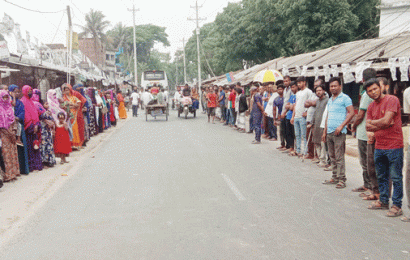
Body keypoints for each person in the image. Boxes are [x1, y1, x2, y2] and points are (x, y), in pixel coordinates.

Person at [365, 79, 404, 217]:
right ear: (367, 93)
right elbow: (367, 126)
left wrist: (375, 123)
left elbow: (387, 120)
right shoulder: (370, 106)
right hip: (379, 145)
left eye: (375, 89)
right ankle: (383, 201)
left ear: (380, 87)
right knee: (381, 175)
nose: (373, 92)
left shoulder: (392, 100)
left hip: (394, 145)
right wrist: (382, 124)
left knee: (396, 176)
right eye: (370, 91)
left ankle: (397, 205)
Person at [349, 68, 379, 199]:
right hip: (366, 132)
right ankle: (368, 184)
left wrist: (354, 126)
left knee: (367, 162)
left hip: (364, 133)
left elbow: (361, 114)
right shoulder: (371, 93)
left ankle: (371, 187)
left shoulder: (367, 94)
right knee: (366, 162)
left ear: (363, 80)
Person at [322, 77, 354, 189]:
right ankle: (334, 176)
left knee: (339, 156)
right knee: (332, 156)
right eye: (331, 86)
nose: (333, 88)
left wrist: (341, 126)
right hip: (329, 131)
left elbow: (351, 113)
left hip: (339, 132)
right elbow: (328, 116)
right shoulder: (330, 100)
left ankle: (342, 179)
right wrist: (324, 132)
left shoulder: (345, 98)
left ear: (340, 86)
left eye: (335, 85)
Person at [21, 85, 43, 172]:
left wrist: (37, 124)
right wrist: (32, 125)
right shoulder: (23, 101)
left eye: (31, 91)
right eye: (28, 91)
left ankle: (37, 165)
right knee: (30, 147)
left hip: (35, 127)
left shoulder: (31, 101)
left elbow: (35, 114)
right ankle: (31, 165)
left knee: (36, 146)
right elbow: (26, 116)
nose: (30, 93)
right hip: (29, 128)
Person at [8, 85, 29, 175]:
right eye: (14, 92)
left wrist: (17, 118)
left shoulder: (20, 103)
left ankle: (23, 169)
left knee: (21, 148)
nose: (16, 93)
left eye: (18, 92)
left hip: (19, 126)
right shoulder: (7, 102)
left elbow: (22, 113)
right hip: (9, 128)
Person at [0, 90, 20, 182]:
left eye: (6, 97)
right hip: (4, 133)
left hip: (12, 133)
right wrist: (8, 132)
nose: (5, 99)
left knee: (13, 152)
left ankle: (14, 172)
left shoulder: (9, 107)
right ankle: (8, 175)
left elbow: (13, 120)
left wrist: (14, 130)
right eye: (3, 97)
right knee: (6, 154)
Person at [291, 77, 313, 157]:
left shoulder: (308, 92)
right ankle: (298, 150)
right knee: (297, 135)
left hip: (303, 116)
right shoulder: (298, 93)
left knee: (304, 135)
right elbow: (295, 105)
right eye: (298, 83)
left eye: (300, 82)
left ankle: (305, 151)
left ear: (304, 82)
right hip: (296, 116)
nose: (299, 84)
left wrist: (307, 112)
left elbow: (311, 103)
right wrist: (293, 116)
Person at [309, 83, 329, 166]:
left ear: (324, 91)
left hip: (323, 125)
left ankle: (323, 160)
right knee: (316, 142)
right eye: (317, 91)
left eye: (320, 90)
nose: (318, 92)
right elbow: (315, 112)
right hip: (316, 124)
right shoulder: (317, 101)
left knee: (322, 143)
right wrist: (312, 123)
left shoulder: (327, 100)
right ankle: (319, 158)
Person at [63, 84, 82, 149]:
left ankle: (75, 144)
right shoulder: (63, 98)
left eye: (67, 90)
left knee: (74, 128)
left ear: (70, 90)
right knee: (68, 129)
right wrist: (71, 106)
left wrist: (71, 105)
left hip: (74, 116)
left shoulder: (74, 97)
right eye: (65, 90)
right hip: (67, 116)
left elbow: (78, 104)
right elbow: (63, 106)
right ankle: (69, 145)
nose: (66, 91)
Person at [40, 101, 56, 168]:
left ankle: (50, 160)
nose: (48, 105)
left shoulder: (48, 111)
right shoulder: (42, 112)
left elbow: (52, 119)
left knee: (49, 145)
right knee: (44, 145)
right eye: (46, 104)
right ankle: (45, 161)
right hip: (43, 131)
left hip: (48, 131)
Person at [286, 82, 298, 155]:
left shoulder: (298, 95)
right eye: (291, 87)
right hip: (288, 116)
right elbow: (287, 106)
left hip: (294, 116)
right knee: (289, 133)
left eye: (293, 87)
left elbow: (294, 106)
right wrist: (290, 106)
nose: (292, 89)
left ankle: (295, 148)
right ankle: (291, 147)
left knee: (294, 133)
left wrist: (291, 106)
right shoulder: (292, 96)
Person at [280, 76, 292, 149]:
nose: (285, 82)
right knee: (283, 130)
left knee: (288, 131)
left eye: (287, 81)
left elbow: (289, 102)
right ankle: (285, 145)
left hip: (288, 112)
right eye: (284, 81)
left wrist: (284, 112)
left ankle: (289, 145)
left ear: (290, 81)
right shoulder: (285, 90)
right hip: (283, 111)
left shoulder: (291, 90)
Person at [273, 84, 285, 148]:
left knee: (287, 132)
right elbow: (274, 109)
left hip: (286, 115)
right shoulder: (276, 99)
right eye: (278, 89)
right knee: (281, 131)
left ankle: (288, 146)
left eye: (281, 89)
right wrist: (275, 119)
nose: (279, 90)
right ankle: (282, 144)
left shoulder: (286, 97)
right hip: (280, 116)